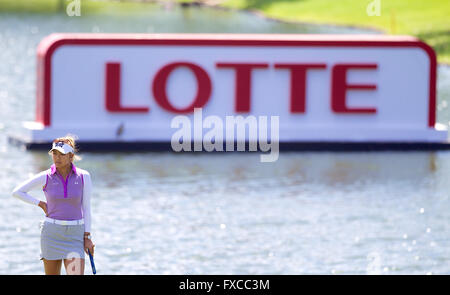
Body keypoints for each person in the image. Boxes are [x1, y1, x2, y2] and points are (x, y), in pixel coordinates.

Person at [12, 135, 95, 275]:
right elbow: (18, 192)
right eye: (54, 153)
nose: (57, 157)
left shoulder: (83, 177)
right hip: (51, 234)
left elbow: (86, 208)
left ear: (71, 157)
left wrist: (87, 237)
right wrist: (40, 204)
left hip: (75, 235)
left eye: (61, 154)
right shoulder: (46, 176)